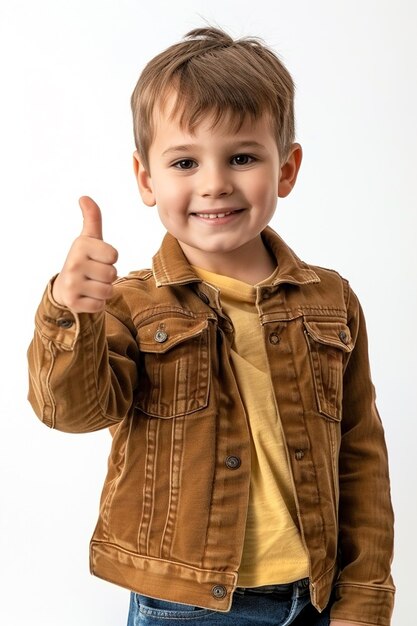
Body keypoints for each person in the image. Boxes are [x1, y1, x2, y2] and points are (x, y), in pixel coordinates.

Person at [27, 27, 395, 626]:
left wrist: (366, 599)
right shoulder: (128, 304)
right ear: (147, 178)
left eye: (242, 157)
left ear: (288, 168)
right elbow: (71, 410)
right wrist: (72, 313)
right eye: (185, 161)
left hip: (319, 598)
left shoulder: (331, 302)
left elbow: (360, 455)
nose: (215, 181)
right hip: (186, 607)